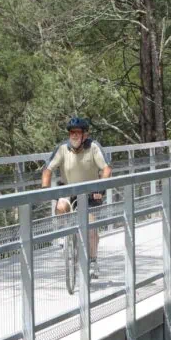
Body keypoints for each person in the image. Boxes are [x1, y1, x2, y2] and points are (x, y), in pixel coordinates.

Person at [41, 117, 112, 279]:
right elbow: (47, 170)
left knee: (91, 227)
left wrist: (100, 188)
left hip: (89, 193)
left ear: (85, 135)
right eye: (71, 133)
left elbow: (106, 169)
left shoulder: (93, 147)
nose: (73, 136)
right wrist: (45, 189)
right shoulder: (62, 149)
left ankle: (93, 261)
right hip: (68, 190)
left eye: (77, 133)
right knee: (60, 208)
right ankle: (64, 236)